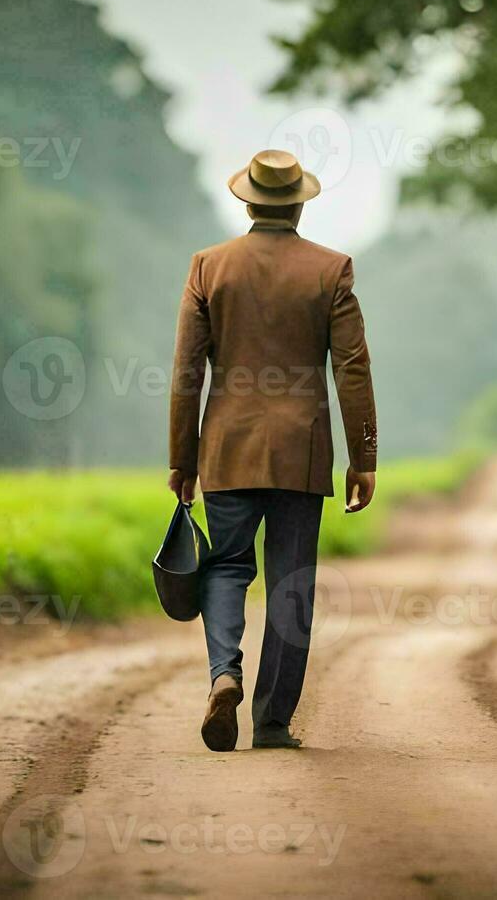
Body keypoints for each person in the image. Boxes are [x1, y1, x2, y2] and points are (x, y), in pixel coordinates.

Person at [168, 149, 378, 752]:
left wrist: (182, 459)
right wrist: (363, 457)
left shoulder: (208, 267)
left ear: (248, 200)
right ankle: (271, 722)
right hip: (300, 452)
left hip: (227, 449)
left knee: (228, 566)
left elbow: (187, 373)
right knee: (291, 584)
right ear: (299, 203)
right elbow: (353, 369)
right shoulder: (331, 270)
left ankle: (224, 673)